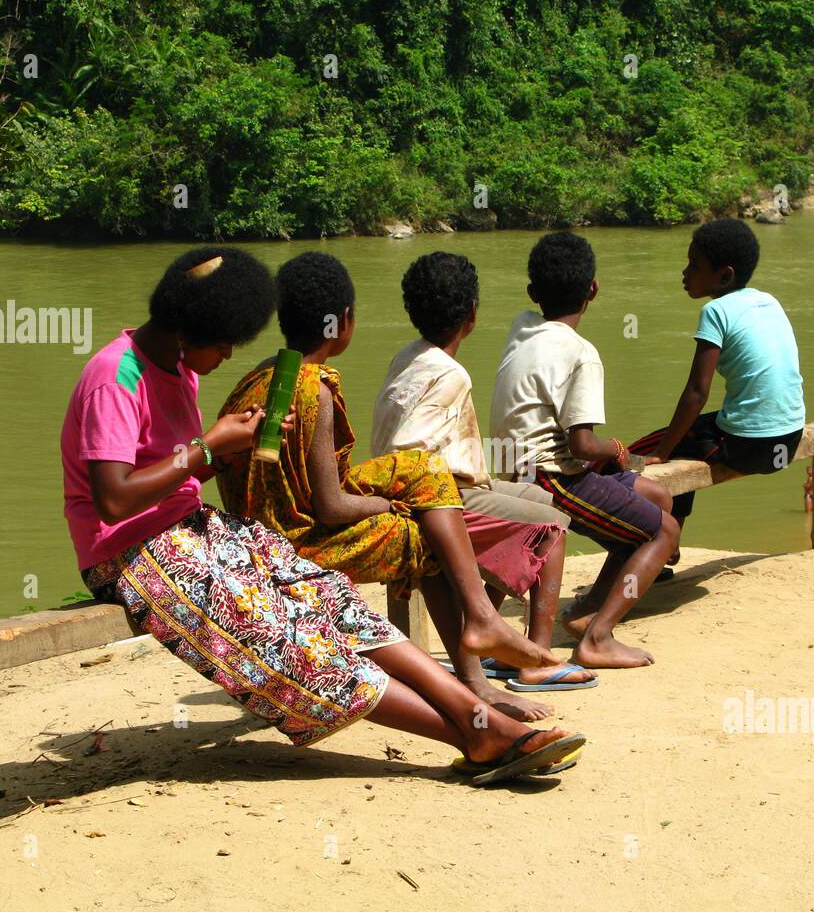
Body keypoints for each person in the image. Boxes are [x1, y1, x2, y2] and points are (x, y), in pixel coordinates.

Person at [61, 246, 583, 786]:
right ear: (185, 331)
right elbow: (115, 500)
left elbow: (179, 476)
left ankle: (483, 716)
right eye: (223, 345)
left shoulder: (175, 366)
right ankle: (474, 735)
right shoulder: (115, 378)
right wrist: (209, 447)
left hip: (192, 529)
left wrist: (224, 454)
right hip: (129, 552)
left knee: (330, 599)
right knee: (288, 645)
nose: (226, 357)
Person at [216, 251, 564, 723]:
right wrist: (387, 503)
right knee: (422, 534)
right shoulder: (312, 388)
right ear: (343, 323)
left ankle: (482, 621)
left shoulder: (260, 378)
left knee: (423, 470)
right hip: (292, 546)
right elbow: (332, 506)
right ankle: (474, 674)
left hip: (262, 531)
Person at [372, 251, 597, 694]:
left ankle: (492, 637)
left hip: (448, 485)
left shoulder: (407, 356)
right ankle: (534, 656)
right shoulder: (450, 374)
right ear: (472, 314)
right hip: (438, 495)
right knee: (553, 525)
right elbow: (411, 450)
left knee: (542, 501)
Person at [489, 231, 679, 670]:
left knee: (654, 497)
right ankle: (597, 638)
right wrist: (614, 449)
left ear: (533, 294)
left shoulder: (521, 327)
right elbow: (582, 444)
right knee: (664, 532)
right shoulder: (581, 353)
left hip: (506, 465)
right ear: (594, 289)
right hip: (548, 477)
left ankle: (589, 610)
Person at [632, 219, 806, 541]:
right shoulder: (769, 300)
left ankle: (661, 547)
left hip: (750, 447)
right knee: (686, 438)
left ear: (725, 275)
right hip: (789, 439)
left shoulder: (716, 312)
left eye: (694, 266)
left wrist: (661, 452)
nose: (685, 273)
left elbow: (697, 394)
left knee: (644, 451)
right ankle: (668, 547)